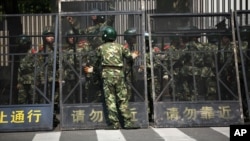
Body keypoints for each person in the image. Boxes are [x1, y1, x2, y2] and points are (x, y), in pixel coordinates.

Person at [84, 26, 139, 129]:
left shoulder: (100, 48)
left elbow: (96, 64)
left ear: (105, 36)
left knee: (110, 99)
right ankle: (128, 122)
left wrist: (92, 70)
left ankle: (114, 123)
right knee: (122, 98)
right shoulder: (121, 47)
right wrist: (133, 55)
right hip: (119, 74)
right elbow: (129, 57)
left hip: (107, 75)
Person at [17, 34, 34, 104]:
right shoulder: (20, 55)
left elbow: (36, 67)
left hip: (32, 80)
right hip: (22, 80)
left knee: (33, 98)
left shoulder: (32, 54)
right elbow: (19, 69)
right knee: (22, 99)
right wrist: (18, 81)